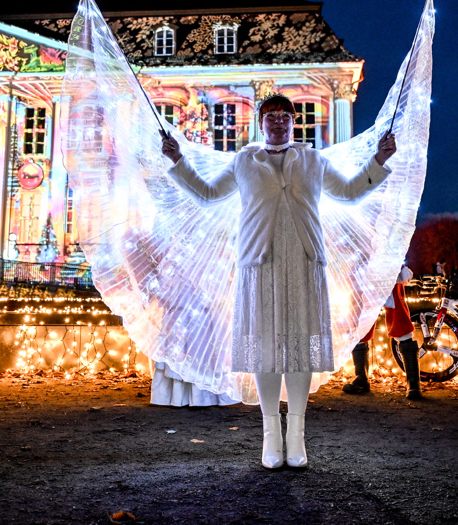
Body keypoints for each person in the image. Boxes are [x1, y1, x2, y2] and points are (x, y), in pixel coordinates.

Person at [161, 94, 396, 469]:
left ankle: (297, 435)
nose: (277, 121)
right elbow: (207, 195)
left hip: (304, 262)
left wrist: (379, 160)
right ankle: (271, 434)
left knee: (300, 346)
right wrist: (177, 161)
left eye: (284, 115)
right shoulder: (244, 161)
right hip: (259, 263)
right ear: (260, 121)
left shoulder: (313, 160)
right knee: (266, 347)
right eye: (270, 115)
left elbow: (350, 192)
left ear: (293, 121)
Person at [342, 265, 422, 399]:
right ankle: (361, 377)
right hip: (364, 273)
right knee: (360, 325)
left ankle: (414, 384)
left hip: (388, 270)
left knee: (401, 324)